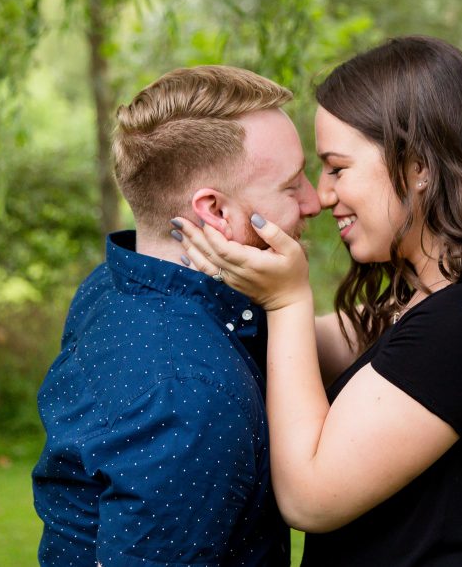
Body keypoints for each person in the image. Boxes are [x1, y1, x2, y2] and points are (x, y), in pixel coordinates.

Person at [174, 36, 462, 566]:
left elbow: (310, 498)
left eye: (337, 167)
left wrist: (285, 302)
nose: (322, 196)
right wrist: (233, 270)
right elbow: (332, 345)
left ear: (418, 165)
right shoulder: (439, 302)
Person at [31, 65, 321, 566]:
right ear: (214, 210)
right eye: (293, 185)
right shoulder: (190, 392)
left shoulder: (116, 285)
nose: (316, 200)